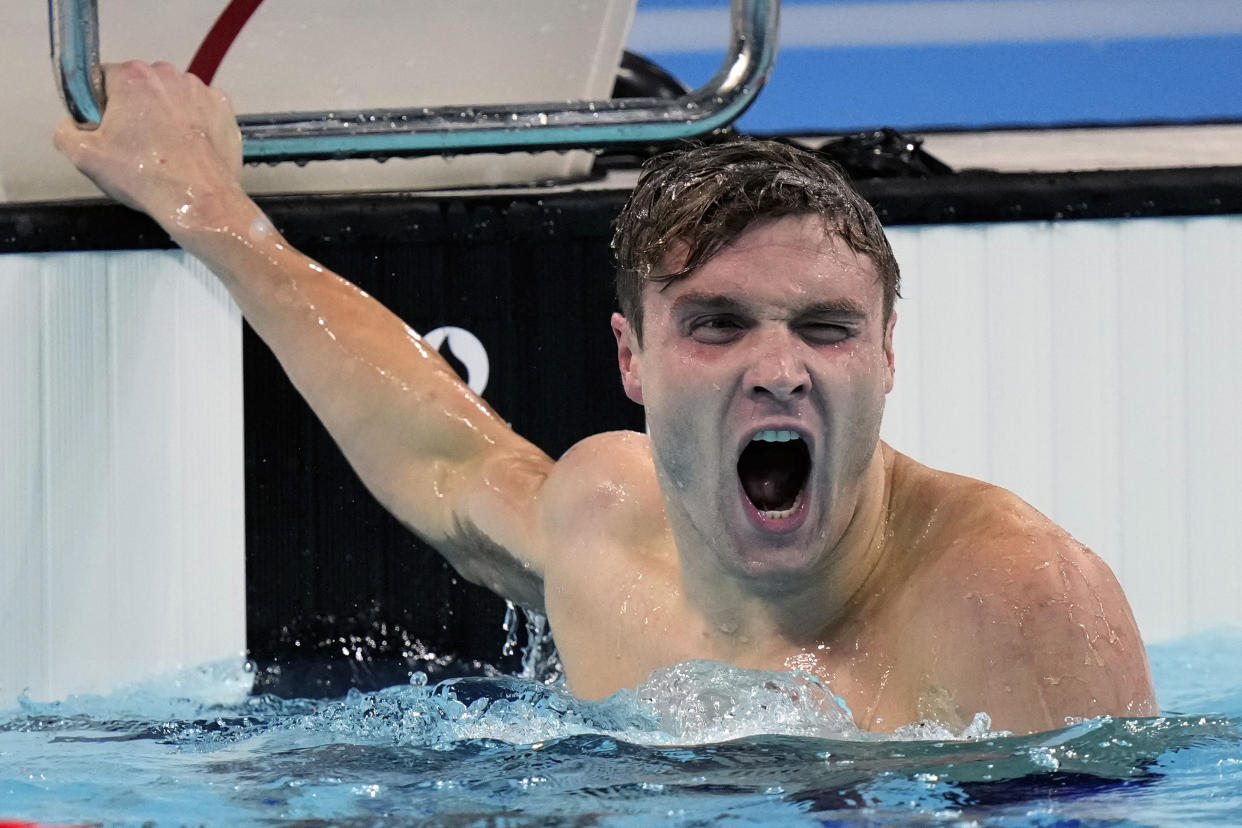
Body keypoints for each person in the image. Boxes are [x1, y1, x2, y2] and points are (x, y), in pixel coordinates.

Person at [56, 61, 1157, 735]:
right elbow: (437, 450)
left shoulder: (1015, 609)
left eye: (826, 327)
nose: (779, 367)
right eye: (718, 324)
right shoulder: (607, 528)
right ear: (632, 358)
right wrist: (203, 202)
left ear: (886, 354)